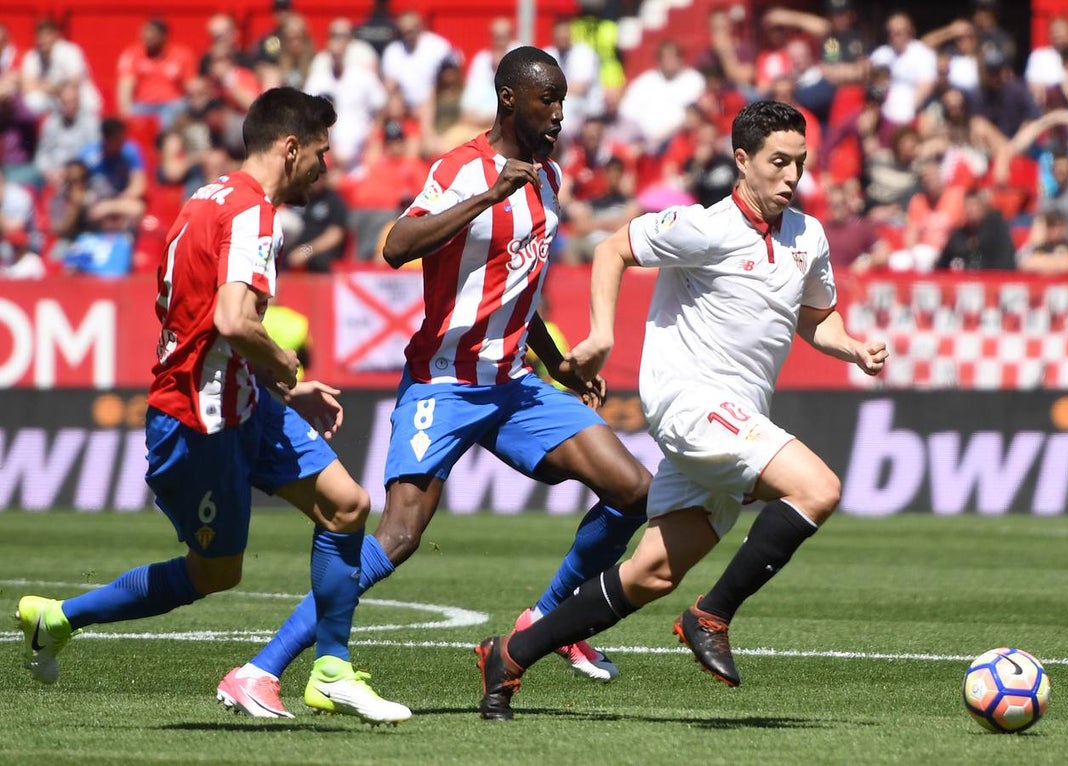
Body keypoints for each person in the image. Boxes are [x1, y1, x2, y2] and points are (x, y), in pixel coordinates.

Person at [214, 46, 651, 715]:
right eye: (548, 99)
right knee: (396, 537)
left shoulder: (547, 178)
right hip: (445, 383)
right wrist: (486, 196)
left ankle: (545, 620)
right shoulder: (463, 169)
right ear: (510, 98)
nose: (559, 113)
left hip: (516, 385)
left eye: (562, 99)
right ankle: (261, 669)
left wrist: (559, 365)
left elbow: (515, 287)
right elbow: (395, 245)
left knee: (633, 491)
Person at [474, 100, 889, 720]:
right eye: (779, 162)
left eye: (800, 164)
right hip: (690, 402)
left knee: (650, 574)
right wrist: (603, 334)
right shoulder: (705, 226)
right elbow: (614, 247)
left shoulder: (809, 236)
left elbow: (816, 317)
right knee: (818, 487)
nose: (791, 176)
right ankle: (711, 615)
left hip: (735, 412)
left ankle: (509, 655)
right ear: (741, 161)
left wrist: (851, 347)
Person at [14, 87, 411, 726]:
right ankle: (60, 619)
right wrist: (288, 365)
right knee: (215, 573)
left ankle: (331, 670)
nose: (325, 166)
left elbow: (195, 315)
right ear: (290, 148)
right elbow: (230, 319)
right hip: (199, 422)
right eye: (320, 151)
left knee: (348, 506)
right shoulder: (254, 215)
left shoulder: (207, 198)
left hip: (243, 403)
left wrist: (281, 388)